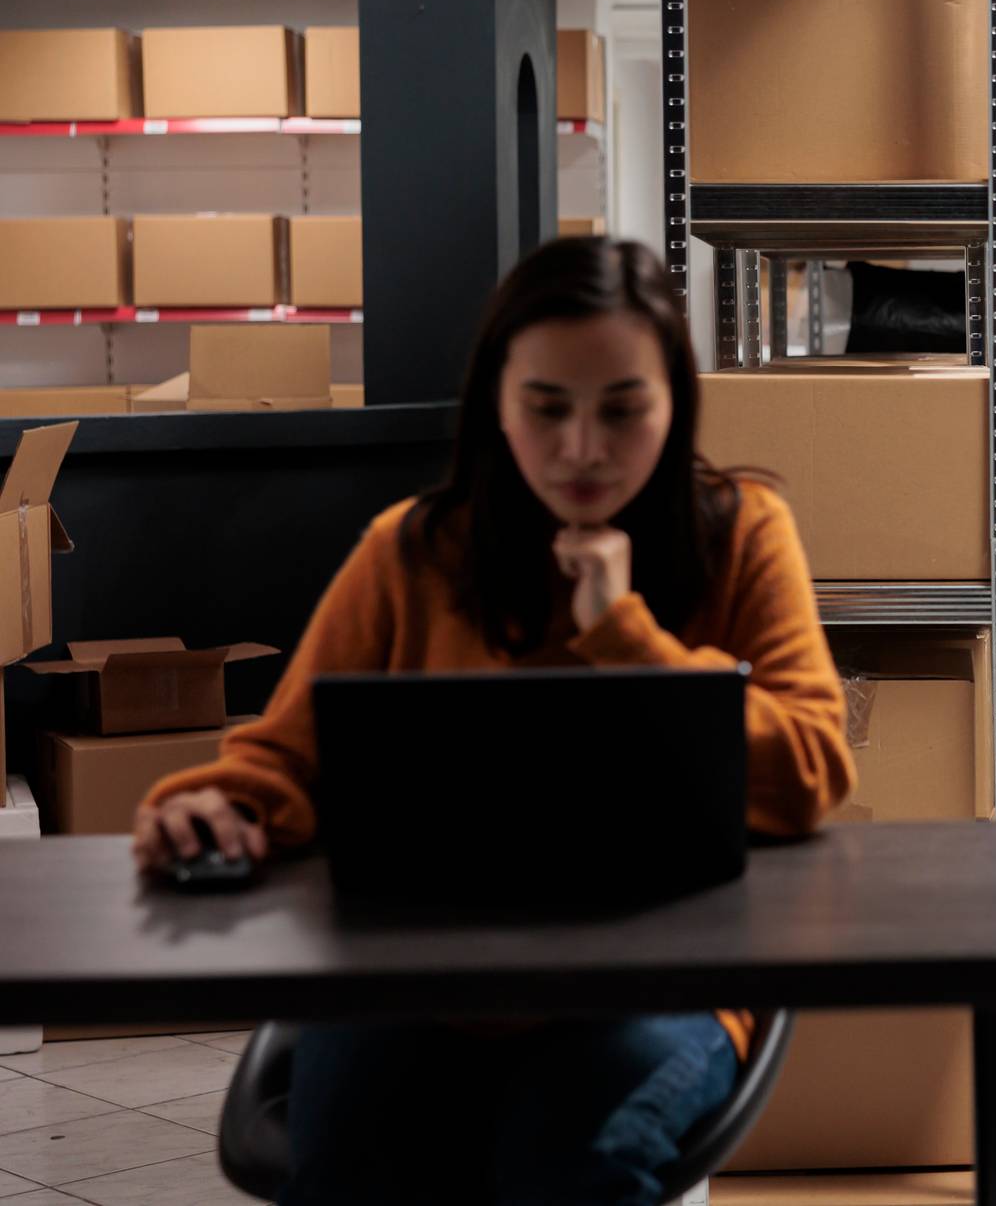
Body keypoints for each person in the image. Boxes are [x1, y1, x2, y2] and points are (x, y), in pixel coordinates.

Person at [131, 237, 856, 1206]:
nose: (583, 448)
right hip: (420, 978)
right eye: (546, 408)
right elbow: (281, 759)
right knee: (357, 1161)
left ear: (674, 399)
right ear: (497, 403)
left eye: (624, 409)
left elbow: (809, 768)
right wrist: (212, 803)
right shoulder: (414, 549)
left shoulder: (741, 532)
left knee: (563, 1156)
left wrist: (621, 633)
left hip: (659, 981)